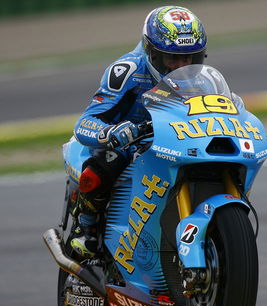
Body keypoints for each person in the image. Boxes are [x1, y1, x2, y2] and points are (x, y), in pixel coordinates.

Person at [69, 6, 208, 259]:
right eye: (172, 58)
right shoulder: (127, 70)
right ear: (151, 52)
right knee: (103, 167)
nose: (181, 66)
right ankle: (86, 227)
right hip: (127, 145)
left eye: (188, 58)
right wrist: (110, 133)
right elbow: (86, 121)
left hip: (173, 142)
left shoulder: (201, 79)